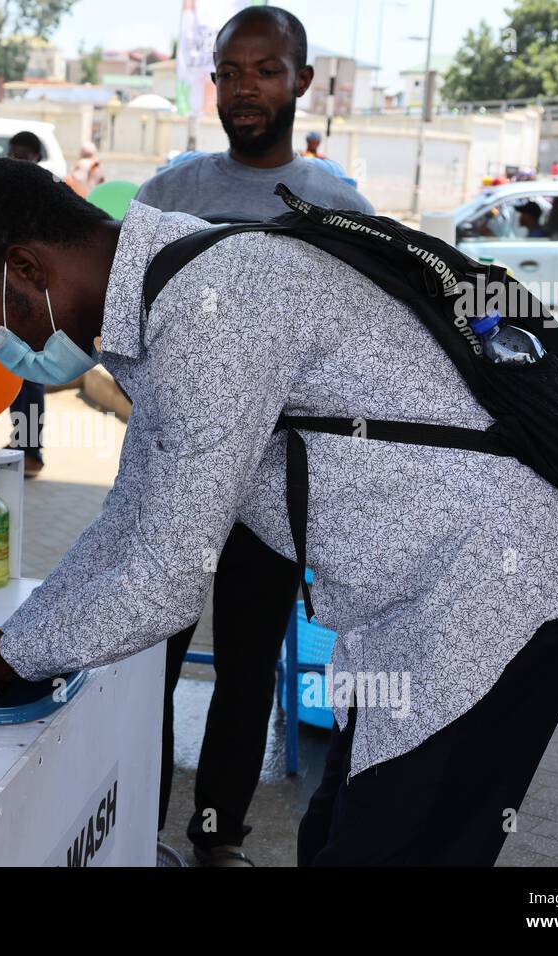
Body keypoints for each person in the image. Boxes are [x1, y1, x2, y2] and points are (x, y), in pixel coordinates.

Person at [0, 155, 558, 866]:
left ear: (26, 267)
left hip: (495, 601)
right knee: (333, 842)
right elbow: (129, 522)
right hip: (415, 613)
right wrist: (13, 643)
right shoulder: (168, 292)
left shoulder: (211, 305)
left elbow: (165, 582)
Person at [133, 5, 374, 867]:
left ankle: (215, 838)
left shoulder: (338, 207)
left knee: (244, 667)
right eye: (230, 70)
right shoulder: (167, 197)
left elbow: (362, 353)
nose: (244, 88)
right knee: (144, 661)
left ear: (302, 81)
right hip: (170, 480)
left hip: (271, 491)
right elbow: (126, 325)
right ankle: (135, 832)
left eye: (265, 70)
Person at [5, 130, 49, 478]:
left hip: (34, 296)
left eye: (22, 154)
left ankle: (31, 452)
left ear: (36, 156)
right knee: (17, 371)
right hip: (12, 294)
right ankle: (22, 442)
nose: (16, 160)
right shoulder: (9, 191)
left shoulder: (43, 192)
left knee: (30, 373)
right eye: (12, 153)